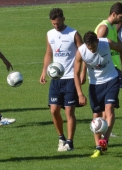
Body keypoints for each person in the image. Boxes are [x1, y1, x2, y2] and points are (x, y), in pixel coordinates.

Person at [39, 8, 85, 152]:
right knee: (54, 110)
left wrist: (83, 73)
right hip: (56, 79)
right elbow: (48, 53)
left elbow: (84, 53)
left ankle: (70, 142)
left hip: (71, 78)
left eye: (58, 23)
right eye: (53, 24)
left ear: (63, 19)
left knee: (69, 112)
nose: (56, 26)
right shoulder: (50, 34)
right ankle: (61, 137)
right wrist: (43, 71)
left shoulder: (73, 34)